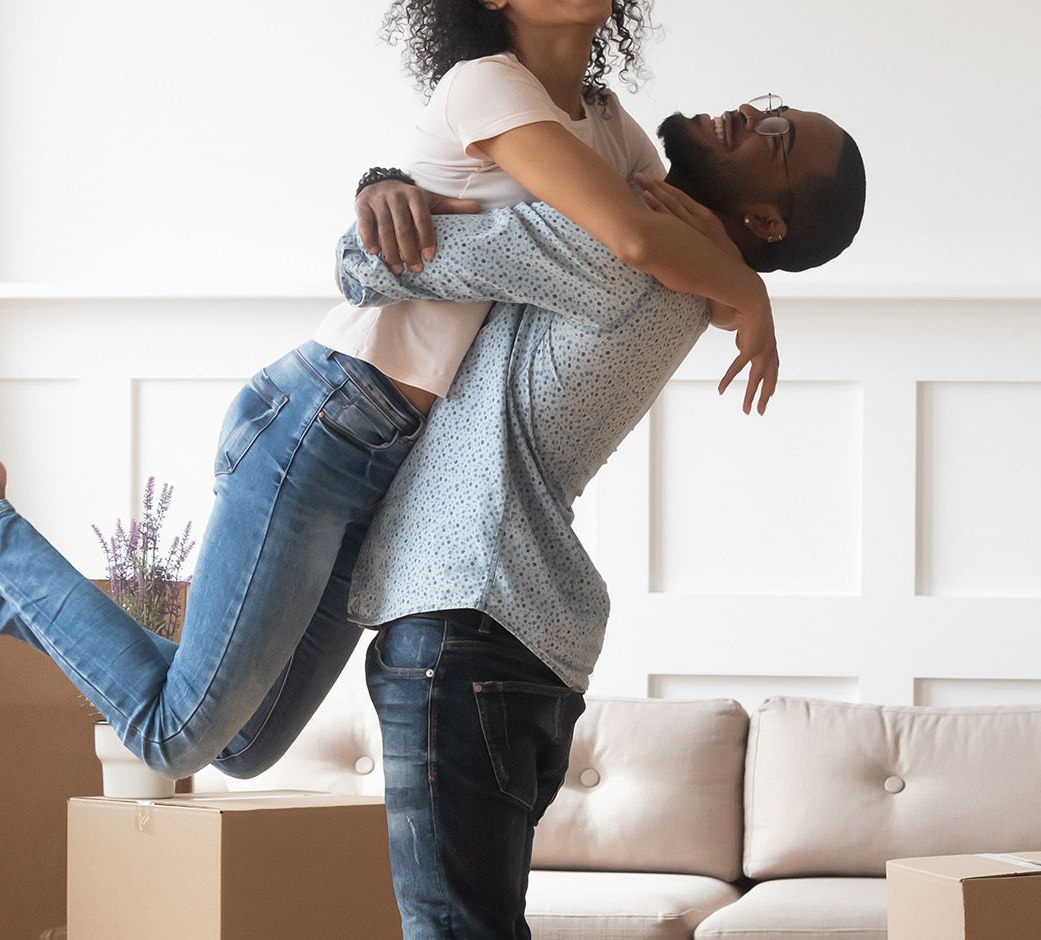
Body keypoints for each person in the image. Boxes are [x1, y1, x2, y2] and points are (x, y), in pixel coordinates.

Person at [0, 0, 789, 783]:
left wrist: (728, 271)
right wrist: (752, 298)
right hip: (325, 418)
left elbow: (674, 231)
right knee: (173, 741)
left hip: (388, 458)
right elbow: (631, 237)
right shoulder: (488, 85)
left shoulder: (604, 120)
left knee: (243, 746)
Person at [340, 104, 866, 939]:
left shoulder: (626, 242)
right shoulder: (664, 256)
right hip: (510, 639)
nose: (751, 114)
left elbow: (372, 260)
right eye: (773, 106)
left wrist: (387, 193)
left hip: (469, 616)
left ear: (764, 219)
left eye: (777, 139)